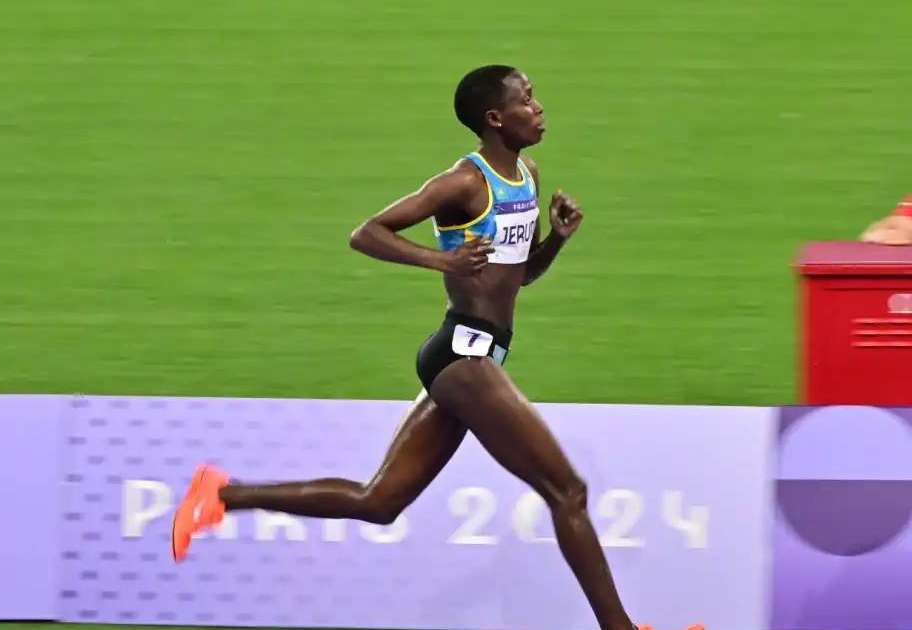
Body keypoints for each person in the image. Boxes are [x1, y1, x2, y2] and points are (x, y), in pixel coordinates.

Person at [171, 64, 700, 630]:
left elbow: (516, 278)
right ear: (496, 118)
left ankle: (224, 493)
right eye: (528, 99)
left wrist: (555, 243)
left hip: (477, 356)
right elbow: (367, 232)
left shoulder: (527, 175)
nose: (540, 106)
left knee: (379, 502)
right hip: (462, 358)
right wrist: (441, 260)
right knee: (567, 490)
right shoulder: (463, 183)